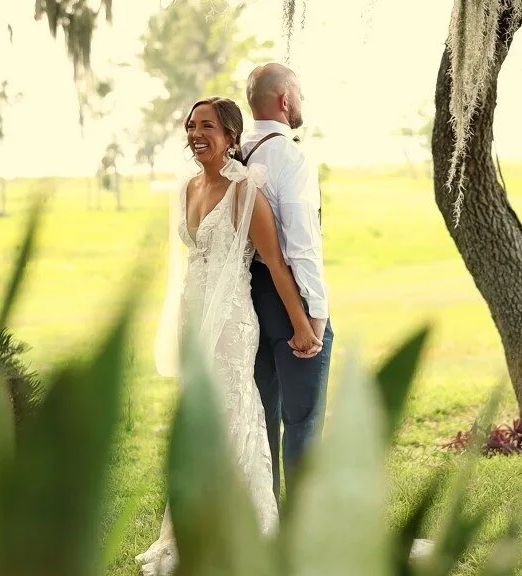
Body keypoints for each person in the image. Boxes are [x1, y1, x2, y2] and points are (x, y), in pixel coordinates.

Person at [137, 96, 321, 576]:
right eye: (191, 126)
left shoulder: (246, 191)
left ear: (231, 136)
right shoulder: (185, 187)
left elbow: (276, 264)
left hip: (233, 323)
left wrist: (303, 325)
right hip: (193, 317)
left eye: (208, 127)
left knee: (233, 414)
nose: (196, 135)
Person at [242, 63, 332, 502]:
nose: (301, 102)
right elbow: (301, 245)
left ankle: (268, 516)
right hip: (288, 297)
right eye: (299, 94)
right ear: (284, 100)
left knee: (263, 416)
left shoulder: (237, 153)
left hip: (247, 297)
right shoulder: (288, 157)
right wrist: (315, 314)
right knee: (303, 419)